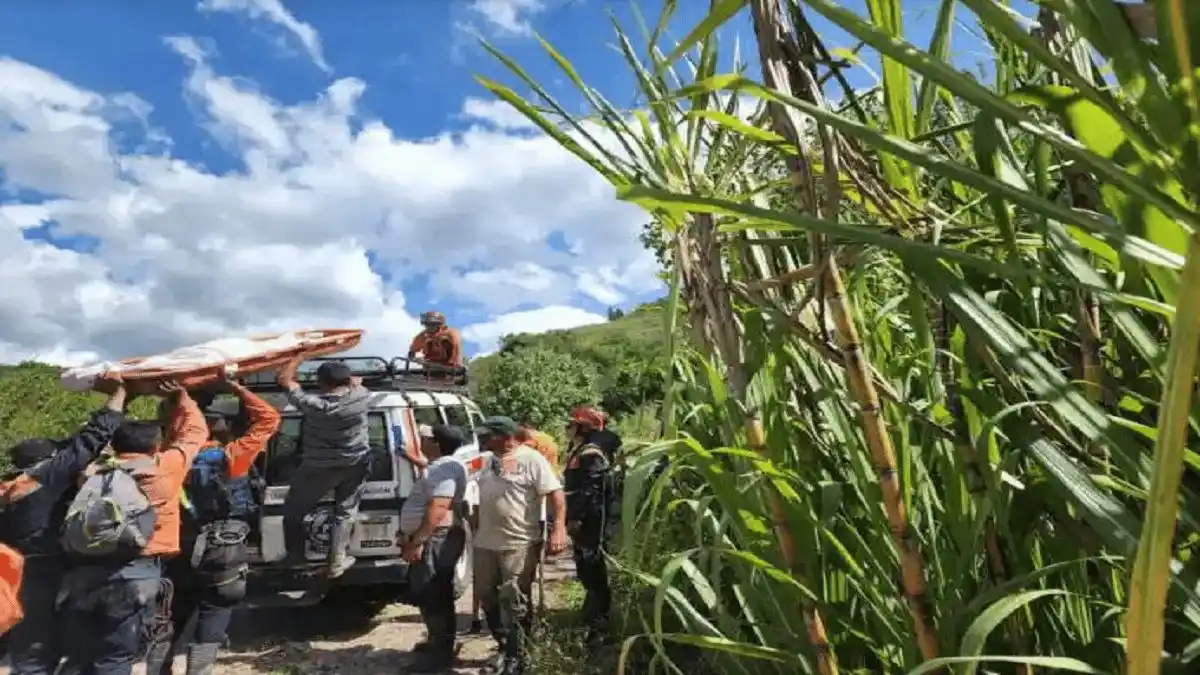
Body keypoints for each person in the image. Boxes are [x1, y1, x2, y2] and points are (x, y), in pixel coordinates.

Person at [58, 380, 210, 675]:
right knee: (117, 656)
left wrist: (121, 398)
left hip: (82, 571)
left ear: (114, 445)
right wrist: (180, 394)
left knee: (79, 656)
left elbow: (89, 440)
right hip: (137, 573)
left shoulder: (93, 472)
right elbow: (196, 432)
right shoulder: (164, 467)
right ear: (156, 446)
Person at [145, 374, 281, 675]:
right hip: (224, 546)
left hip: (181, 544)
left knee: (173, 611)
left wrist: (181, 401)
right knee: (216, 608)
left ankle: (158, 668)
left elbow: (175, 433)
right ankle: (199, 671)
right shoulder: (235, 455)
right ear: (227, 429)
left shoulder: (170, 456)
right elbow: (269, 418)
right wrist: (236, 387)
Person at [0, 375, 127, 675]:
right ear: (45, 462)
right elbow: (90, 439)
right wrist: (121, 392)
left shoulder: (10, 486)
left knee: (26, 642)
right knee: (37, 648)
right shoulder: (44, 477)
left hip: (12, 571)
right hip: (40, 570)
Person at [472, 416, 567, 675]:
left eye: (489, 435)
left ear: (506, 436)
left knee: (514, 599)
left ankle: (516, 656)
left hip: (519, 542)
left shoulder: (532, 460)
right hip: (485, 542)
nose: (484, 439)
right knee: (486, 595)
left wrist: (559, 528)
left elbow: (556, 495)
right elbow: (480, 498)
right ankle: (504, 645)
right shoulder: (488, 460)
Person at [276, 357, 370, 578]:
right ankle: (336, 562)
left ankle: (295, 557)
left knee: (294, 511)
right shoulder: (361, 397)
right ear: (347, 380)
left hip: (317, 467)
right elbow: (358, 384)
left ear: (321, 383)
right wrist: (353, 382)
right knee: (345, 511)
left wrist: (299, 356)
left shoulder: (312, 405)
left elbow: (284, 379)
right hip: (354, 463)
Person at [400, 424, 469, 673]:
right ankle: (436, 644)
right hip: (433, 537)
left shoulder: (446, 468)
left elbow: (439, 507)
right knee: (431, 593)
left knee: (434, 594)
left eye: (426, 438)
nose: (422, 441)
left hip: (436, 538)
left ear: (437, 444)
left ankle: (438, 659)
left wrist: (417, 541)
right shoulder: (441, 466)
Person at [562, 406, 619, 646]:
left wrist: (576, 517)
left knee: (592, 566)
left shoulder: (591, 453)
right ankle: (592, 613)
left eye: (572, 424)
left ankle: (598, 624)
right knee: (586, 566)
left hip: (591, 520)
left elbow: (591, 491)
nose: (568, 429)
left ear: (584, 427)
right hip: (588, 518)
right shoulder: (585, 449)